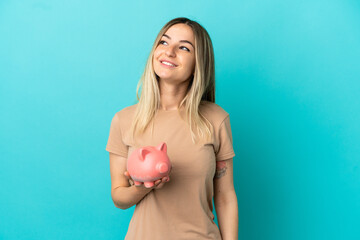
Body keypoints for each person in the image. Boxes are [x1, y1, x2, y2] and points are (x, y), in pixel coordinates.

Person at [106, 17, 238, 240]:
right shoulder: (124, 120)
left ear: (199, 63)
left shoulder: (215, 119)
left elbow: (225, 196)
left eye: (184, 47)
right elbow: (118, 197)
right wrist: (143, 186)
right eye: (164, 43)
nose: (169, 51)